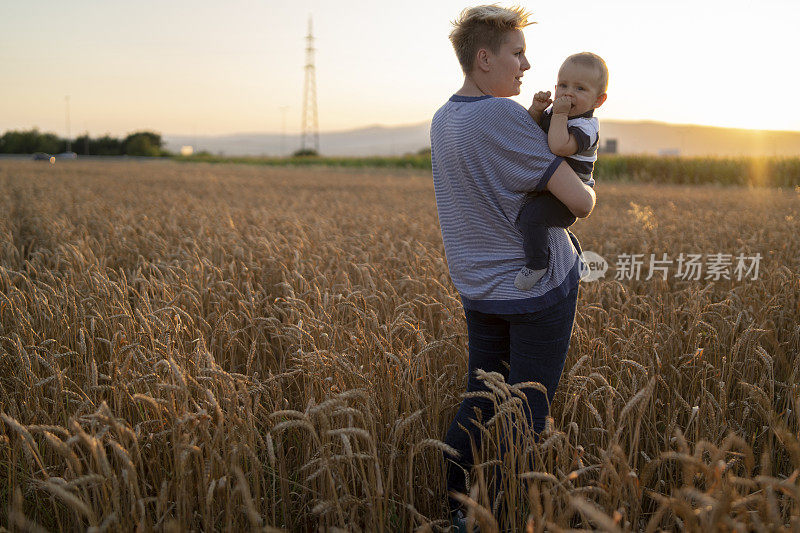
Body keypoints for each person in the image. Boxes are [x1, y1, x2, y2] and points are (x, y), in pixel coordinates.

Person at [429, 5, 596, 530]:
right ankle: (496, 516)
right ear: (484, 58)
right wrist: (589, 185)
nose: (527, 65)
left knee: (479, 400)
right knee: (526, 413)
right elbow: (580, 202)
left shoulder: (444, 118)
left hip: (478, 289)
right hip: (536, 293)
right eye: (517, 54)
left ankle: (459, 509)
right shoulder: (500, 116)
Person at [515, 52, 608, 290]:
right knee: (548, 226)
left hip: (570, 196)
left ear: (598, 101)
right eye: (564, 86)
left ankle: (537, 263)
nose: (568, 93)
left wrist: (558, 114)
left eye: (580, 88)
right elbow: (531, 132)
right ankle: (576, 260)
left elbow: (558, 145)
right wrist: (536, 110)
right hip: (551, 188)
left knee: (531, 218)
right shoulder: (558, 115)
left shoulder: (586, 127)